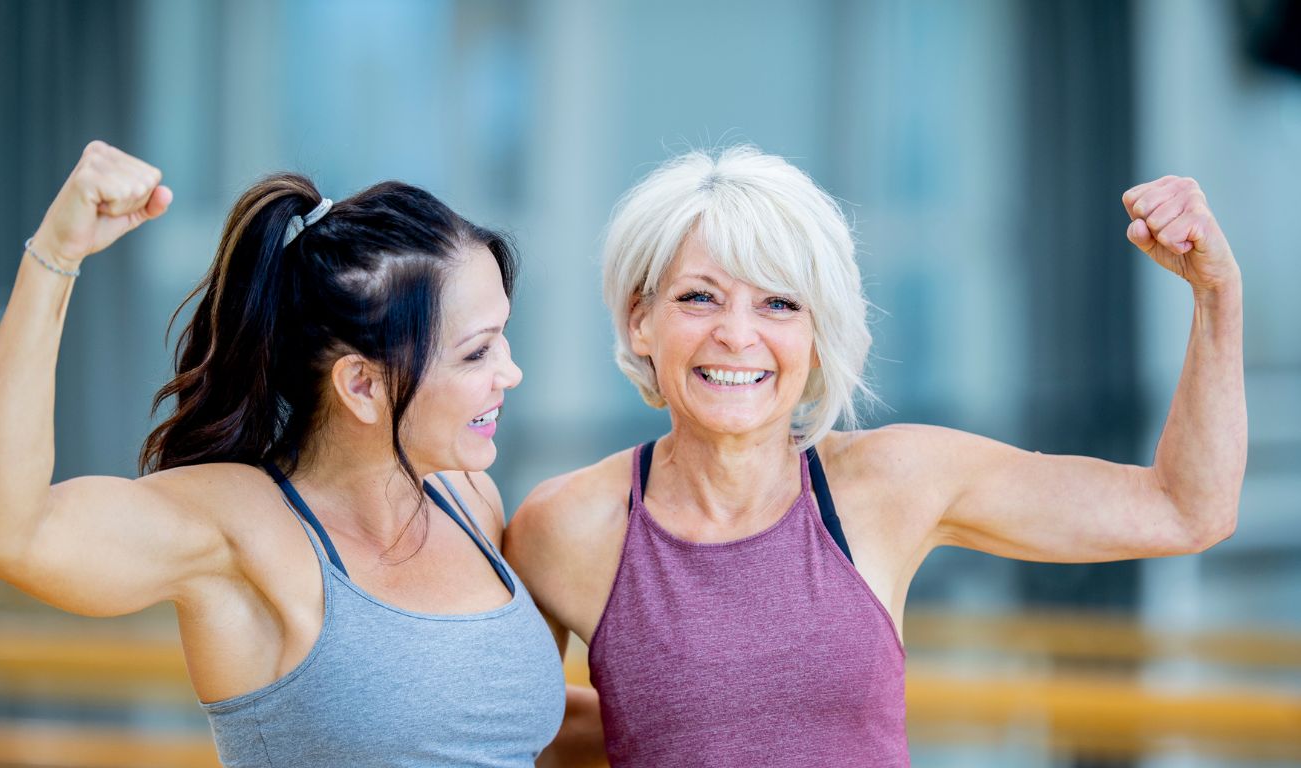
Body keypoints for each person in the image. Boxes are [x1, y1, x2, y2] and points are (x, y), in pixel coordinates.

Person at [504, 146, 1245, 767]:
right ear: (640, 320)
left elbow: (1185, 509)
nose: (736, 334)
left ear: (819, 336)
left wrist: (1217, 296)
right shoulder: (566, 526)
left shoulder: (892, 483)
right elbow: (503, 732)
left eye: (779, 304)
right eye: (699, 298)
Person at [0, 141, 569, 767]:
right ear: (361, 385)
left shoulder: (467, 496)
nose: (510, 373)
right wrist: (55, 256)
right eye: (477, 352)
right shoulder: (239, 525)